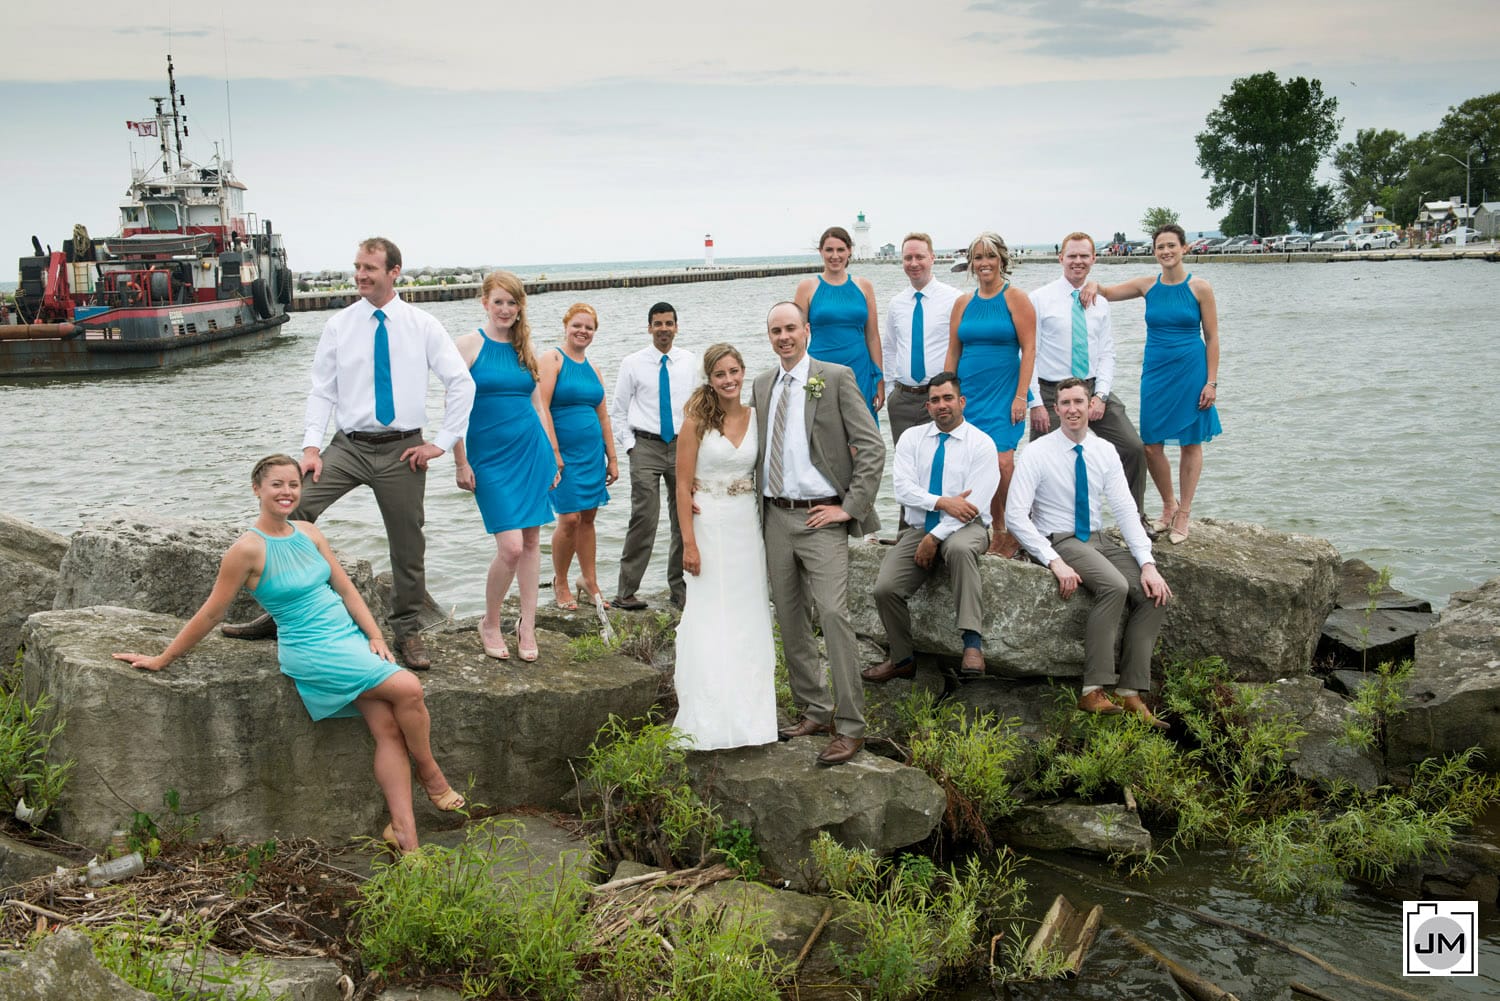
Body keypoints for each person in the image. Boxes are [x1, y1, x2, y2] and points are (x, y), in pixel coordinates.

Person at [114, 455, 466, 855]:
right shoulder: (246, 550)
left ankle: (405, 837)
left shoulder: (309, 532)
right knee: (408, 687)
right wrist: (163, 659)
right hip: (311, 649)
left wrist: (374, 635)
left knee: (386, 726)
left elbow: (346, 589)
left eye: (294, 485)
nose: (287, 492)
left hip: (347, 639)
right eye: (277, 485)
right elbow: (211, 613)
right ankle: (431, 774)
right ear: (257, 489)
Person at [221, 238, 475, 671]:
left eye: (369, 268)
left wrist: (441, 442)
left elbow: (461, 384)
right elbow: (322, 390)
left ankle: (407, 630)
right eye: (357, 266)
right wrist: (311, 448)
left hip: (403, 450)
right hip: (348, 446)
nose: (360, 275)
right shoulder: (339, 325)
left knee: (408, 544)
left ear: (394, 271)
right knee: (292, 510)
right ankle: (284, 613)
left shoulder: (423, 325)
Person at [755, 301, 884, 766]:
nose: (784, 337)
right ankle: (814, 709)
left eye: (790, 328)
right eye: (776, 330)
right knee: (790, 618)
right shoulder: (762, 384)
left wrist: (848, 508)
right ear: (769, 336)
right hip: (775, 516)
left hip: (820, 517)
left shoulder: (835, 377)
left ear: (806, 330)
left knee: (832, 614)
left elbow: (871, 446)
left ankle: (850, 727)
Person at [1006, 378, 1172, 727]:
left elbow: (1125, 510)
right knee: (1114, 586)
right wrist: (1053, 560)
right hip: (1060, 539)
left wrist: (1148, 563)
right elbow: (1015, 516)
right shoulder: (1037, 452)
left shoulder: (1104, 450)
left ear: (1090, 406)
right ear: (1056, 409)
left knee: (1155, 594)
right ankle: (1092, 689)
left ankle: (1130, 692)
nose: (1072, 409)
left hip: (1098, 539)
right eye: (1065, 403)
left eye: (1078, 402)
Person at [1082, 223, 1221, 543]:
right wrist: (1093, 284)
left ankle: (1184, 513)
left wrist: (1211, 383)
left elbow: (1213, 338)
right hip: (1156, 371)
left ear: (1184, 248)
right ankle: (1169, 505)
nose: (1166, 251)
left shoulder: (1200, 287)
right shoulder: (1147, 285)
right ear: (1155, 251)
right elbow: (1109, 293)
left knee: (1190, 442)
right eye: (1161, 247)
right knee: (1150, 444)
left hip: (1191, 370)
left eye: (1172, 245)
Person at [671, 344, 778, 749]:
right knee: (710, 612)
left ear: (743, 372)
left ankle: (753, 718)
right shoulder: (696, 422)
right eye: (720, 374)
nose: (729, 380)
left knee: (749, 614)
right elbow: (682, 486)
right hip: (708, 525)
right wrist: (689, 543)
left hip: (746, 525)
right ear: (710, 379)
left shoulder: (756, 416)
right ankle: (710, 716)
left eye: (734, 371)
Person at [864, 373, 999, 683]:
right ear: (927, 406)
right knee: (885, 589)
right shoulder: (912, 439)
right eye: (935, 400)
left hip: (968, 527)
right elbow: (903, 490)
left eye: (948, 398)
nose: (942, 405)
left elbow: (972, 505)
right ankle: (902, 659)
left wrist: (935, 537)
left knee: (960, 549)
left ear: (961, 401)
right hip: (920, 527)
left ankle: (972, 644)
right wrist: (942, 502)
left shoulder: (982, 444)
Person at [452, 272, 559, 664]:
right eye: (498, 301)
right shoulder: (467, 345)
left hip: (531, 452)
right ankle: (491, 622)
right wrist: (459, 461)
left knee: (531, 542)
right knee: (511, 547)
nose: (505, 309)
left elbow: (538, 406)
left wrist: (552, 455)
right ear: (485, 303)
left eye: (512, 303)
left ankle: (527, 625)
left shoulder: (524, 347)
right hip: (489, 458)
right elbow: (453, 408)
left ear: (519, 307)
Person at [1027, 232, 1149, 521]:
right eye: (1072, 256)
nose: (1078, 261)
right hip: (1051, 390)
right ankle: (1036, 526)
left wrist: (1101, 396)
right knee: (1039, 459)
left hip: (1092, 387)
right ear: (1061, 258)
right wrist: (1035, 403)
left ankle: (1134, 518)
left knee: (1133, 448)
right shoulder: (1039, 299)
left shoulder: (1100, 302)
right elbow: (1029, 354)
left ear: (1094, 259)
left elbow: (1106, 353)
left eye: (1084, 256)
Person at [943, 232, 1036, 558]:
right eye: (978, 257)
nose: (984, 263)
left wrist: (1022, 396)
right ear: (971, 263)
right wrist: (947, 394)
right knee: (983, 466)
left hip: (1004, 394)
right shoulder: (962, 303)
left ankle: (1018, 528)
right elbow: (953, 351)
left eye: (990, 256)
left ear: (1002, 260)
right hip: (970, 394)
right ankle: (998, 529)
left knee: (1003, 462)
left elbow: (1029, 350)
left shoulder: (1016, 298)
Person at [611, 302, 699, 611]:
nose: (663, 329)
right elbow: (618, 411)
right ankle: (626, 591)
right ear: (649, 328)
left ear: (677, 327)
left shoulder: (690, 362)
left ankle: (680, 588)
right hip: (645, 446)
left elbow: (699, 407)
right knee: (644, 518)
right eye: (658, 324)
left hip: (682, 445)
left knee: (683, 518)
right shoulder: (632, 363)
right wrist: (631, 447)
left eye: (668, 323)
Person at [538, 303, 618, 611]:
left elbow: (603, 416)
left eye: (589, 327)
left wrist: (612, 457)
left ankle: (589, 580)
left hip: (591, 455)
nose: (583, 331)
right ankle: (560, 580)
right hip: (562, 455)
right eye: (577, 325)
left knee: (588, 518)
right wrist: (554, 452)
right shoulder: (552, 359)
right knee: (569, 518)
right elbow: (542, 407)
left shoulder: (594, 369)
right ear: (566, 326)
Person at [882, 233, 962, 453]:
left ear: (932, 258)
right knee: (906, 463)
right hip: (902, 400)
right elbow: (889, 348)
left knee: (943, 459)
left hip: (939, 398)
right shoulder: (896, 304)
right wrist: (890, 391)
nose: (914, 263)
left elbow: (961, 347)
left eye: (920, 257)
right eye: (908, 258)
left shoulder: (954, 299)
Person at [794, 225, 884, 421]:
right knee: (822, 427)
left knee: (862, 428)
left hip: (859, 369)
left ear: (849, 251)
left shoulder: (864, 286)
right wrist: (796, 373)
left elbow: (873, 336)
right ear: (821, 252)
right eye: (829, 250)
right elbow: (797, 337)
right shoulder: (806, 287)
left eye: (840, 250)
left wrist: (879, 378)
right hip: (820, 369)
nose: (835, 256)